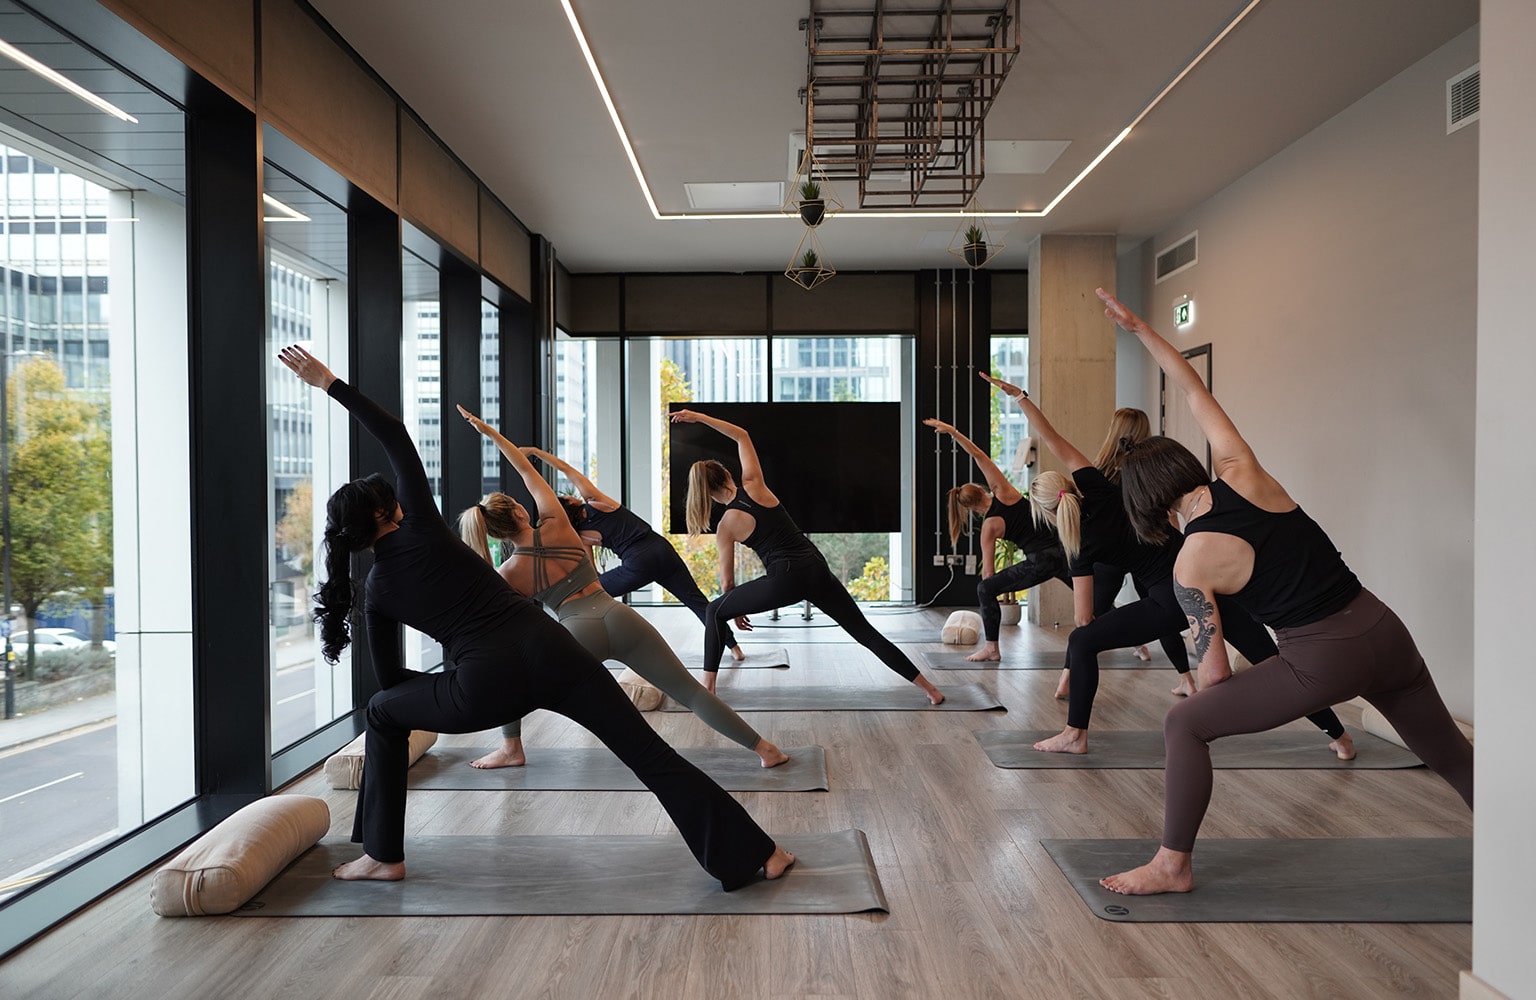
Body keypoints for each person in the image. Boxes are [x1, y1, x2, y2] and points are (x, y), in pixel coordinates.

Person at [278, 345, 793, 888]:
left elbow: (391, 682)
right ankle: (761, 854)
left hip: (486, 686)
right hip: (556, 650)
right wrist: (330, 382)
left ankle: (382, 854)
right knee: (650, 755)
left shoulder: (378, 590)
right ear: (387, 512)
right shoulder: (425, 529)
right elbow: (397, 436)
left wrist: (449, 689)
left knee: (382, 711)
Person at [1094, 288, 1471, 895]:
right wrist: (1140, 328)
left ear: (1149, 511)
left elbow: (1213, 677)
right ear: (1190, 468)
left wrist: (1212, 673)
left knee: (1185, 723)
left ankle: (1172, 865)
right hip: (1383, 628)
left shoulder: (1190, 564)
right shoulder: (1243, 469)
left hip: (1323, 657)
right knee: (1454, 758)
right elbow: (1194, 390)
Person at [980, 371, 1353, 758]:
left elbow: (1086, 618)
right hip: (1214, 576)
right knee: (1271, 658)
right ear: (1069, 486)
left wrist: (1092, 646)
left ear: (1046, 514)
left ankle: (1076, 734)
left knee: (1081, 640)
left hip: (1172, 596)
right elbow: (1056, 440)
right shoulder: (1098, 488)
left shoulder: (1078, 547)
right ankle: (1340, 735)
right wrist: (1021, 397)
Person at [456, 410, 788, 770]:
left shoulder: (508, 574)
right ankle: (766, 750)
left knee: (511, 684)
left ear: (495, 535)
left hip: (574, 634)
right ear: (521, 510)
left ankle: (511, 749)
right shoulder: (557, 522)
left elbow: (508, 628)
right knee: (691, 693)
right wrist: (488, 430)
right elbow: (526, 470)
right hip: (619, 616)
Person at [673, 408, 946, 705]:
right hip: (816, 567)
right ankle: (930, 689)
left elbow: (727, 583)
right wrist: (698, 417)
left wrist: (733, 608)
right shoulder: (755, 486)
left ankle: (708, 691)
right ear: (727, 474)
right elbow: (742, 435)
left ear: (707, 493)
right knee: (865, 632)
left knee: (714, 610)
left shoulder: (726, 526)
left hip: (786, 578)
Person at [521, 446, 747, 663]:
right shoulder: (598, 502)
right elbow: (568, 471)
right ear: (569, 503)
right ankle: (734, 648)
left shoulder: (580, 536)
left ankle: (586, 645)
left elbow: (590, 572)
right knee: (698, 602)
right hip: (661, 549)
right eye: (567, 497)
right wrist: (536, 453)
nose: (570, 496)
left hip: (637, 563)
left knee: (590, 596)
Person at [926, 417, 1071, 662]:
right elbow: (979, 455)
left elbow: (988, 574)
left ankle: (992, 648)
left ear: (970, 508)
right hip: (1066, 550)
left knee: (985, 589)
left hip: (1041, 562)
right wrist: (954, 432)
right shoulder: (1007, 493)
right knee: (1095, 596)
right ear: (983, 490)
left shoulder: (989, 528)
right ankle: (1139, 643)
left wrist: (992, 594)